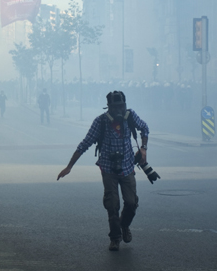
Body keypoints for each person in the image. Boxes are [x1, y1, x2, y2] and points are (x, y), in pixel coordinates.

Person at [57, 90, 150, 251]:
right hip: (108, 169)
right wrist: (69, 166)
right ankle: (115, 238)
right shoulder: (100, 122)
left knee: (131, 202)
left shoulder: (131, 117)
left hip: (127, 167)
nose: (119, 110)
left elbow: (145, 128)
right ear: (108, 107)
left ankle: (124, 225)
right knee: (112, 204)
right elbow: (84, 144)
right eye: (115, 107)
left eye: (122, 106)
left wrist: (143, 149)